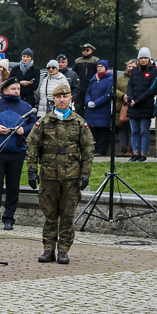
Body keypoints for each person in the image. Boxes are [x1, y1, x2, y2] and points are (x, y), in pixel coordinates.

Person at [26, 84, 95, 264]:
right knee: (49, 215)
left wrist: (85, 174)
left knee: (67, 215)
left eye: (65, 97)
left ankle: (63, 250)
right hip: (49, 176)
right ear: (53, 100)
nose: (62, 100)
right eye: (58, 97)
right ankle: (48, 249)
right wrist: (32, 170)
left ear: (70, 98)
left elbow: (87, 150)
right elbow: (32, 146)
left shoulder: (79, 122)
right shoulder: (44, 122)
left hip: (71, 177)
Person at [0, 77, 37, 231]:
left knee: (13, 187)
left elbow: (34, 124)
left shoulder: (26, 107)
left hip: (17, 152)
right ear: (5, 90)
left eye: (18, 89)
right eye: (13, 89)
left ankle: (9, 219)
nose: (16, 91)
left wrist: (25, 130)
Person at [126, 47, 157, 162]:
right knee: (134, 131)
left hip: (145, 105)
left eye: (145, 58)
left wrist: (137, 101)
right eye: (141, 58)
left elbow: (151, 90)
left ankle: (143, 154)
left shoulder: (154, 71)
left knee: (144, 131)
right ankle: (135, 153)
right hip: (133, 105)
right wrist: (130, 99)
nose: (143, 60)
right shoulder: (134, 71)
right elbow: (130, 86)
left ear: (149, 59)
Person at [84, 60, 114, 156]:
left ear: (105, 68)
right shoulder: (94, 79)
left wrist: (96, 103)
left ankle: (101, 150)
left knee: (102, 131)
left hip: (102, 109)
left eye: (101, 66)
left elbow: (107, 94)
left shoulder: (110, 79)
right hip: (92, 110)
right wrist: (88, 101)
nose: (99, 68)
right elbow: (88, 92)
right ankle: (94, 149)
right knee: (94, 130)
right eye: (98, 66)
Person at [73, 43, 100, 113]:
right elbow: (74, 73)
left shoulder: (96, 61)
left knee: (90, 106)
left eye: (87, 50)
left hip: (91, 87)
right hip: (80, 87)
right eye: (83, 50)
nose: (85, 51)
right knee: (78, 107)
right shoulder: (77, 61)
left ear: (91, 51)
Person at [116, 59, 135, 157]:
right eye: (129, 66)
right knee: (122, 127)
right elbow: (113, 89)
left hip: (133, 105)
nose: (131, 68)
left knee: (132, 128)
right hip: (122, 106)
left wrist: (131, 97)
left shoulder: (138, 77)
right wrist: (123, 95)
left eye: (133, 66)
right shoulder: (120, 78)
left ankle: (131, 149)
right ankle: (122, 148)